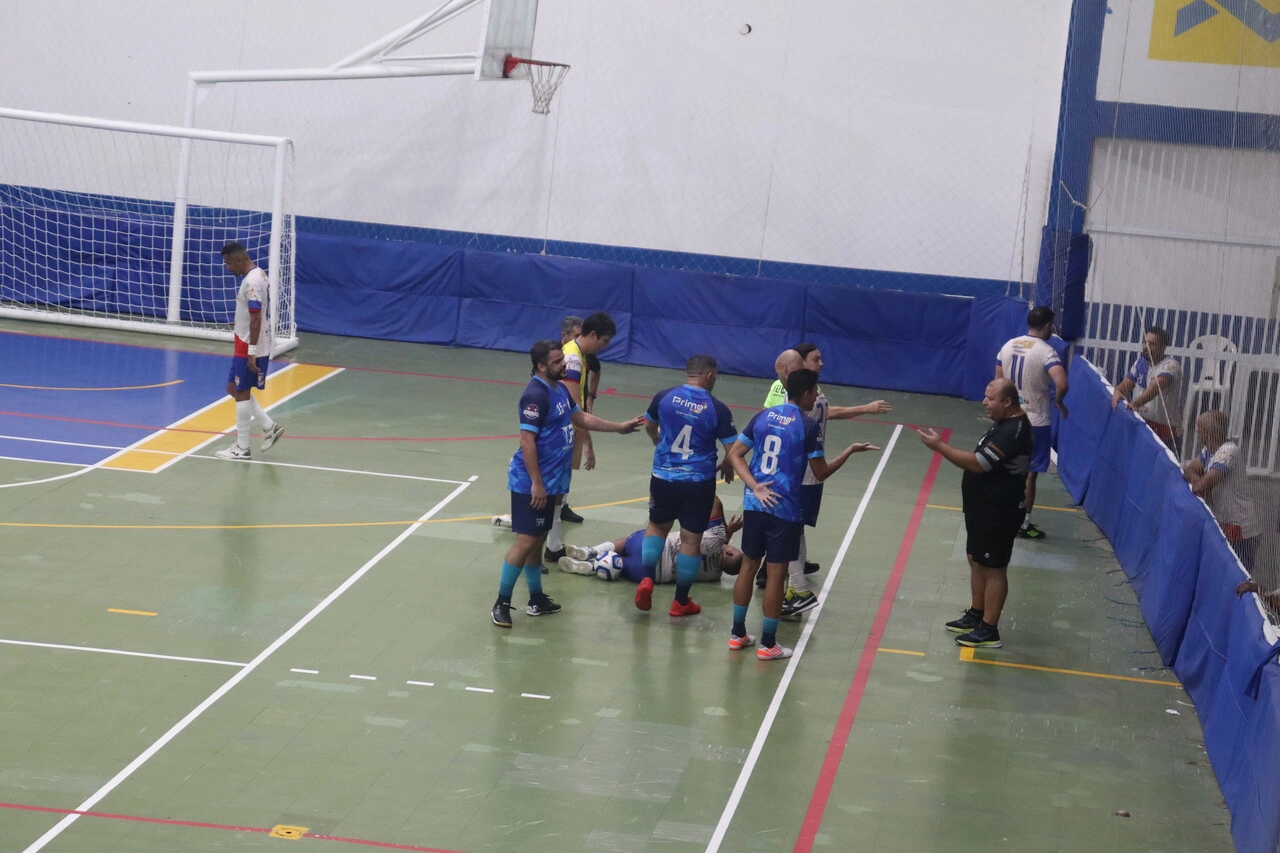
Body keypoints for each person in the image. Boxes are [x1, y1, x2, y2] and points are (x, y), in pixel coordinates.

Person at [727, 368, 880, 661]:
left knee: (748, 566)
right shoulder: (807, 426)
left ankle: (737, 634)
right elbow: (820, 473)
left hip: (755, 504)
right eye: (815, 393)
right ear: (807, 393)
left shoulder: (762, 417)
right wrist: (848, 451)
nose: (817, 399)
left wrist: (754, 486)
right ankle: (768, 643)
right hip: (783, 509)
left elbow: (735, 454)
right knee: (776, 575)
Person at [491, 340, 644, 629]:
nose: (564, 364)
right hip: (531, 482)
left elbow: (581, 417)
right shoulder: (535, 395)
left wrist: (619, 427)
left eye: (563, 359)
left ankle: (536, 598)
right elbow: (527, 441)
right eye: (558, 361)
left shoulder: (559, 390)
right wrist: (537, 483)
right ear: (540, 366)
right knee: (525, 541)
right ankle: (501, 602)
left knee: (537, 538)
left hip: (551, 480)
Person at [763, 343, 892, 617]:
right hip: (805, 476)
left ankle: (799, 589)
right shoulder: (808, 396)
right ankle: (793, 590)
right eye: (816, 359)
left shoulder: (808, 401)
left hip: (800, 476)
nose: (820, 364)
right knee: (795, 532)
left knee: (787, 533)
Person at [918, 378, 1032, 649]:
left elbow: (979, 464)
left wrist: (939, 446)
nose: (985, 402)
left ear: (1007, 402)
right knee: (976, 560)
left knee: (993, 568)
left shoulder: (1013, 431)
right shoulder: (1005, 422)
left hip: (999, 513)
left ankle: (989, 630)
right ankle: (976, 614)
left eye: (990, 398)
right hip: (982, 509)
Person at [633, 354, 739, 616]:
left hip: (663, 477)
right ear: (709, 376)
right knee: (691, 540)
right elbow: (734, 450)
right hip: (698, 482)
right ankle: (680, 601)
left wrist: (660, 445)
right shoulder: (718, 409)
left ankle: (647, 578)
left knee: (657, 527)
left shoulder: (664, 397)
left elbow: (649, 425)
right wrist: (727, 464)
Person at [544, 311, 618, 561]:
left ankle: (553, 546)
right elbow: (577, 410)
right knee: (550, 491)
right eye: (605, 341)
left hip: (564, 430)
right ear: (594, 335)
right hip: (558, 432)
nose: (605, 347)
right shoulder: (573, 359)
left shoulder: (580, 357)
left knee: (558, 492)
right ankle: (541, 549)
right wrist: (591, 442)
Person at [995, 306, 1069, 540]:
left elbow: (997, 383)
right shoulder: (1047, 352)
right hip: (1035, 421)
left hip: (1008, 418)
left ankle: (1001, 515)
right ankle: (1023, 524)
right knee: (1029, 473)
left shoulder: (1008, 345)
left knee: (1004, 468)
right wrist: (1059, 402)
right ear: (1048, 325)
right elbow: (1062, 383)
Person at [559, 496, 745, 588]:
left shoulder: (717, 536)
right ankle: (591, 566)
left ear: (729, 552)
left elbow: (714, 502)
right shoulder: (714, 576)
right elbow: (713, 555)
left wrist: (724, 528)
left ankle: (592, 551)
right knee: (620, 565)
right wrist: (727, 534)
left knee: (625, 543)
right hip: (652, 575)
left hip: (651, 548)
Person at [214, 241, 285, 460]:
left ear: (239, 259)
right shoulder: (258, 274)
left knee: (242, 392)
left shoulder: (252, 282)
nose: (228, 268)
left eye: (228, 263)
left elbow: (255, 318)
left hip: (249, 345)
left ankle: (242, 448)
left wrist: (252, 351)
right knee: (232, 388)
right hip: (243, 342)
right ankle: (269, 427)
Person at [1183, 410, 1260, 571]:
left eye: (1199, 427)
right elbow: (1188, 470)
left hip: (1239, 526)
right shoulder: (1209, 450)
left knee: (1236, 573)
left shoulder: (1227, 452)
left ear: (1207, 432)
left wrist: (1202, 485)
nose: (1196, 431)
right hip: (1225, 521)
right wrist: (1200, 482)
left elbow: (1201, 487)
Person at [1111, 325, 1183, 453]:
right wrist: (1118, 392)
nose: (1147, 347)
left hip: (1166, 430)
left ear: (1164, 347)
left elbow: (1156, 388)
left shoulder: (1171, 366)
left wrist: (1133, 404)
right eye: (1145, 342)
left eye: (1153, 344)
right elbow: (1126, 384)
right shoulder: (1141, 363)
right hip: (1142, 424)